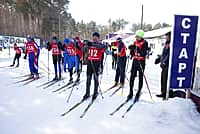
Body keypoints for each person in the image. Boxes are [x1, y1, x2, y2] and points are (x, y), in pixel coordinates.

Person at [82, 32, 107, 100]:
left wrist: (92, 44)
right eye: (93, 37)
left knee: (96, 79)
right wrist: (86, 45)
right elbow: (83, 50)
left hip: (97, 64)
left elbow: (104, 47)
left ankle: (95, 92)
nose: (94, 38)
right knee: (88, 79)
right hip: (90, 63)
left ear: (98, 38)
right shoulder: (89, 44)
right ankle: (87, 93)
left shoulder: (100, 45)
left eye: (96, 37)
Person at [127, 30, 148, 101]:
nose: (136, 37)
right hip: (135, 61)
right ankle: (131, 92)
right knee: (132, 76)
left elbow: (143, 53)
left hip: (141, 61)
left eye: (137, 36)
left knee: (140, 77)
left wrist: (137, 48)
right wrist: (131, 50)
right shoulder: (135, 42)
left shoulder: (145, 43)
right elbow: (133, 54)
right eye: (136, 36)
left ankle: (139, 92)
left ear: (141, 36)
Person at [155, 32, 173, 99]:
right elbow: (164, 54)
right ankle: (163, 92)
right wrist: (159, 59)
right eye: (166, 37)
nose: (166, 38)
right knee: (163, 79)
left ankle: (168, 93)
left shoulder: (171, 44)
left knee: (166, 79)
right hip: (164, 65)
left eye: (167, 36)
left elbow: (169, 55)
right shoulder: (166, 44)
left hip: (167, 65)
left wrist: (165, 62)